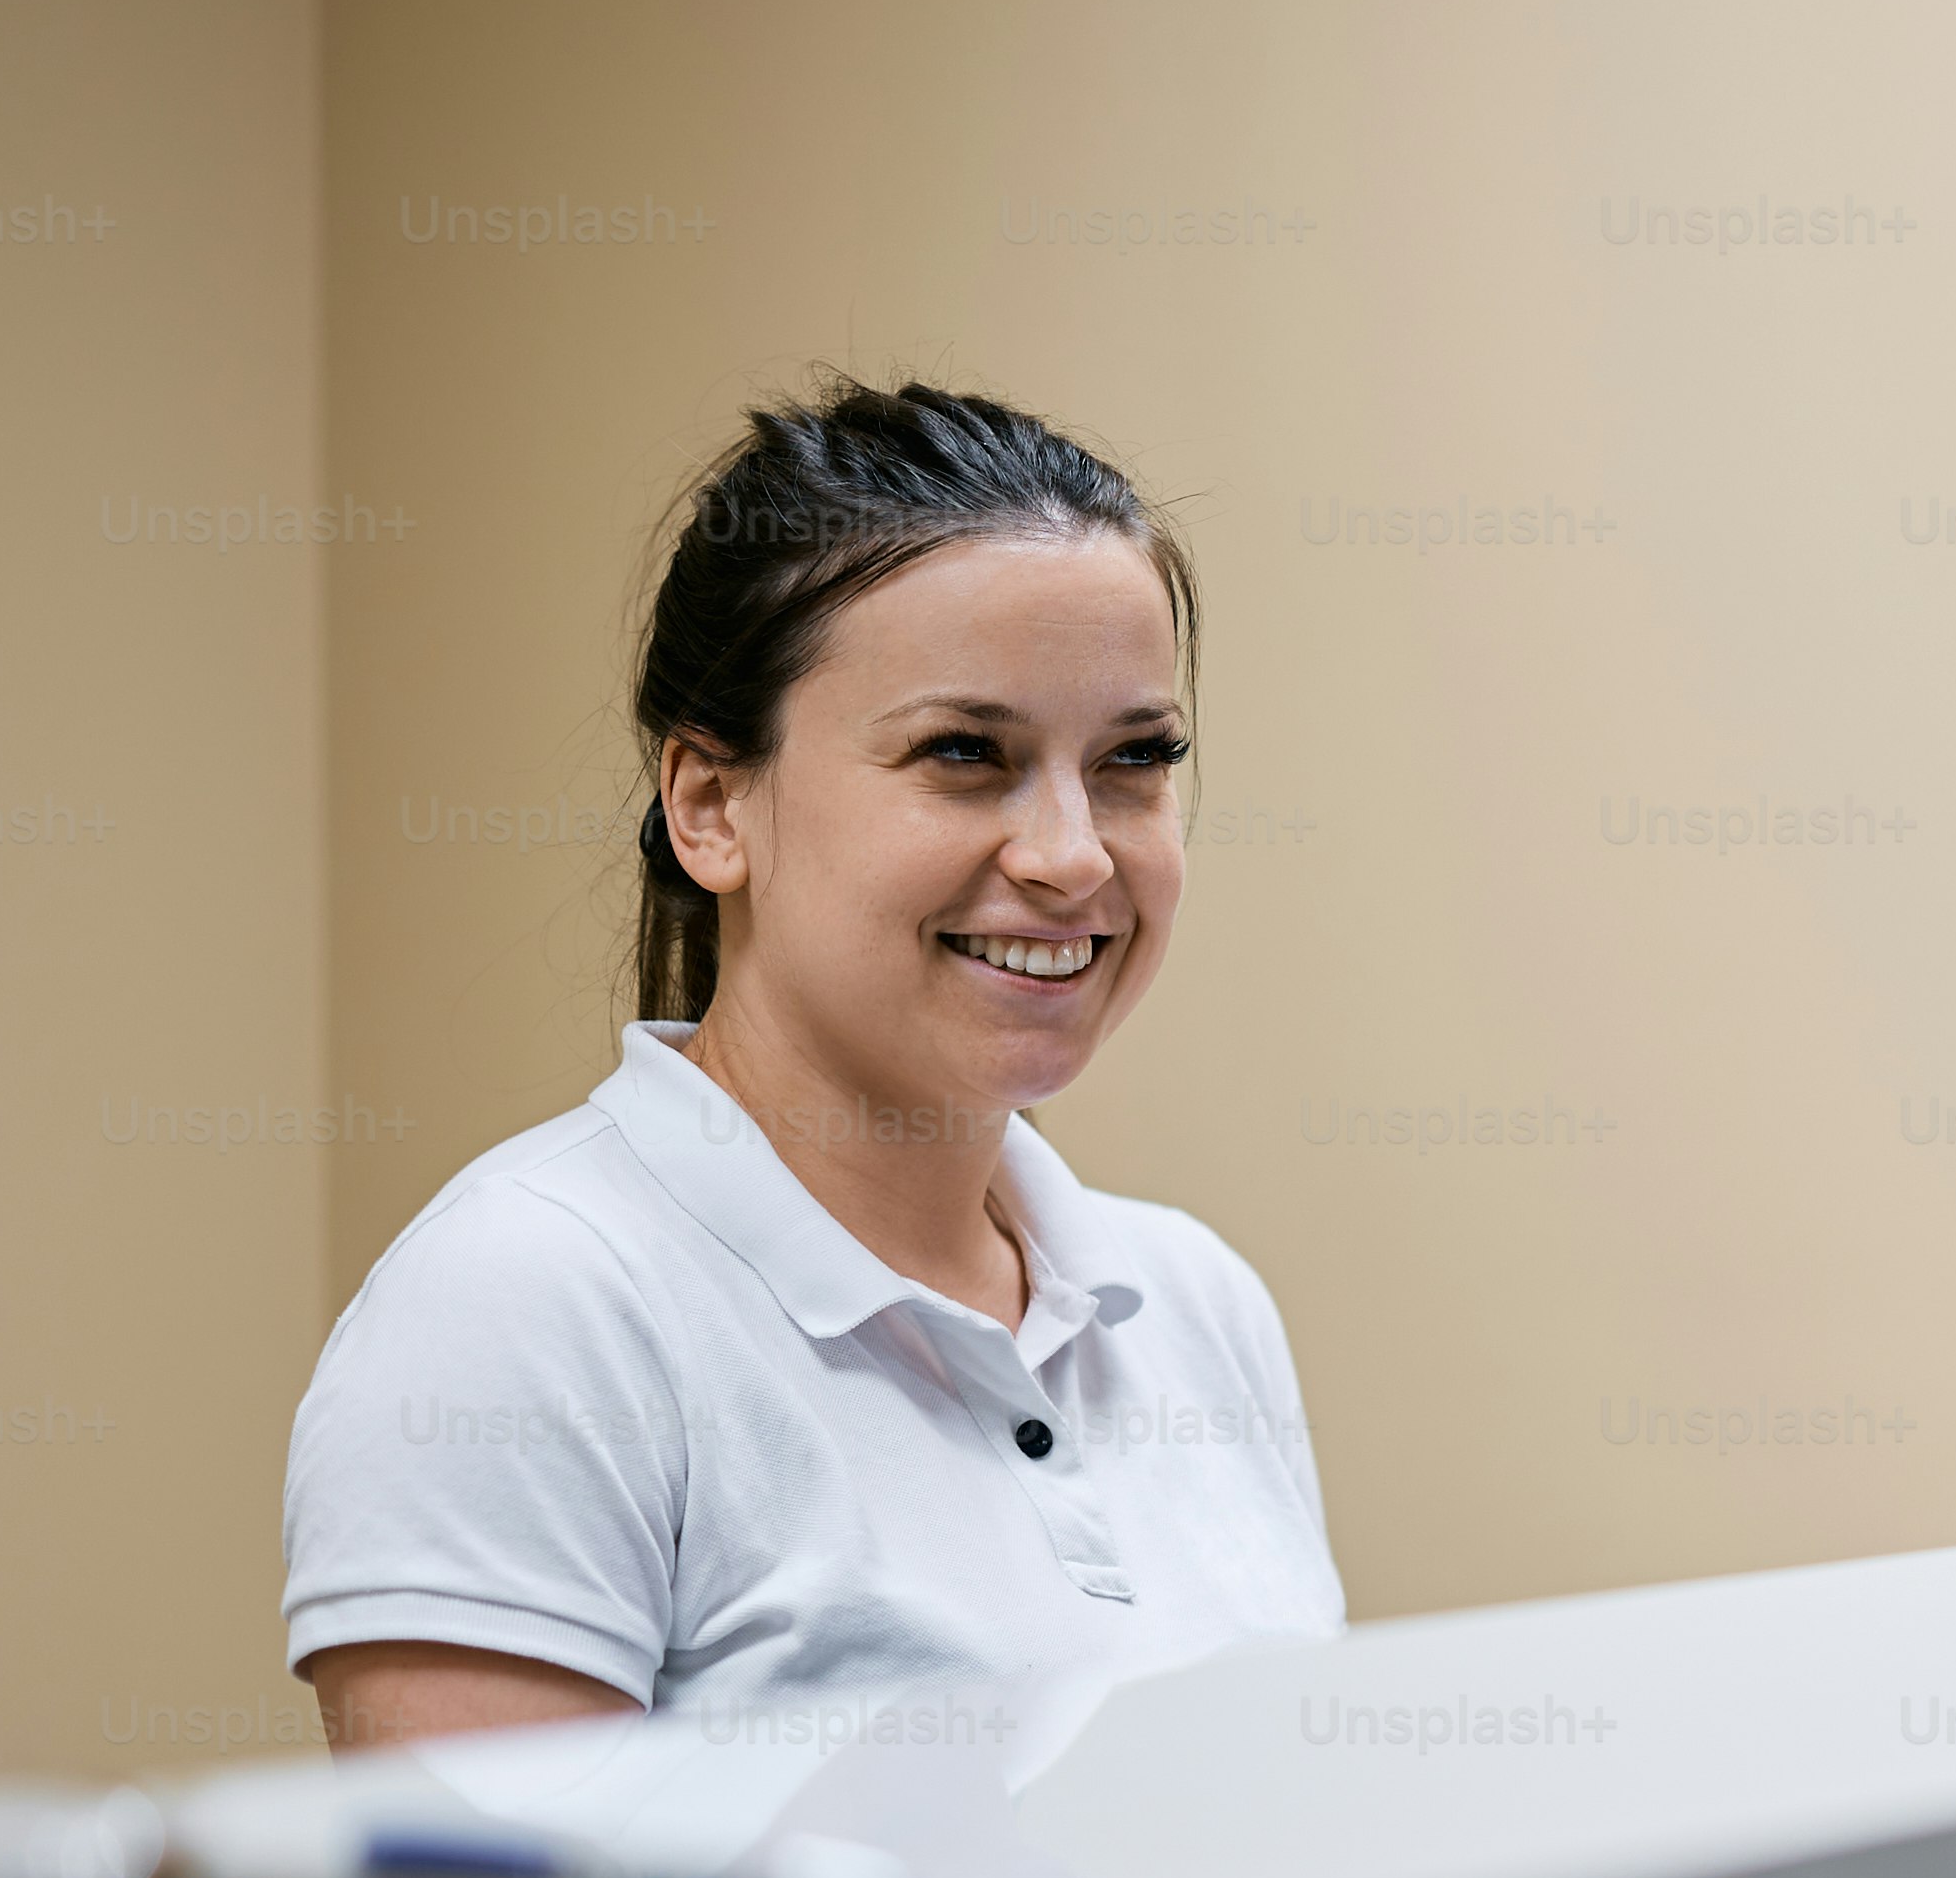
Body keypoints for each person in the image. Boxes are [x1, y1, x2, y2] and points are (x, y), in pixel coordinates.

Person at [282, 379, 1339, 1770]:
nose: (1075, 855)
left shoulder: (1196, 1302)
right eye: (967, 754)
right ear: (712, 806)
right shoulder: (526, 1312)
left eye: (1134, 760)